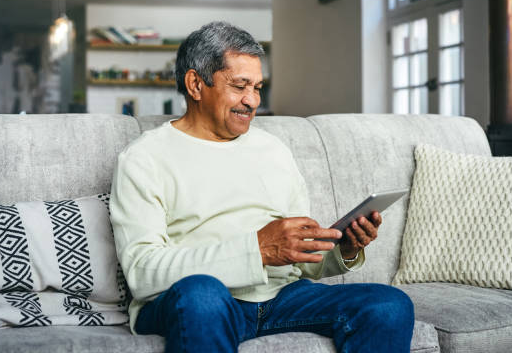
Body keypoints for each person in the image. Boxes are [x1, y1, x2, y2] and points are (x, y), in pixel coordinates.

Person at [109, 21, 414, 353]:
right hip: (199, 300)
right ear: (196, 84)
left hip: (281, 297)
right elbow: (142, 272)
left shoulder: (274, 150)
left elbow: (302, 261)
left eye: (257, 87)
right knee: (204, 296)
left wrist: (345, 248)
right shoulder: (144, 158)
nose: (252, 100)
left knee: (388, 304)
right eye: (240, 86)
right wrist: (257, 249)